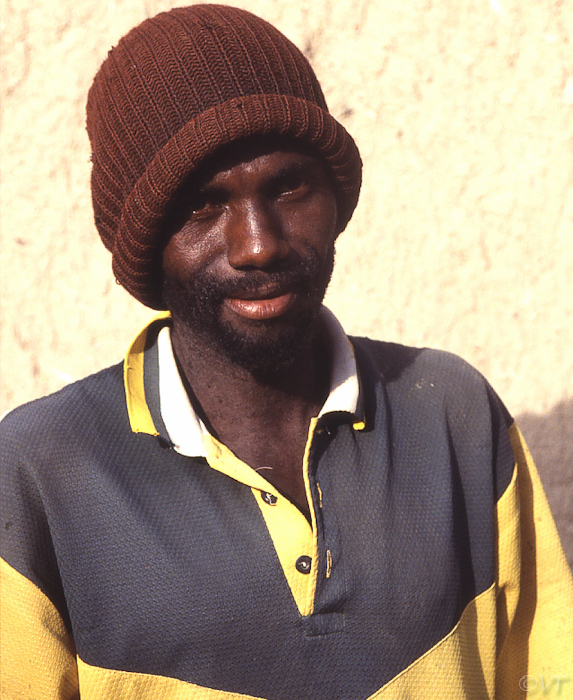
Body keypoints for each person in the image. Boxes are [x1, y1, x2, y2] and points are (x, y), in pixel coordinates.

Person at [1, 5, 571, 699]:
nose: (258, 244)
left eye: (289, 187)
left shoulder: (453, 416)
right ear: (145, 243)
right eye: (202, 205)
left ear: (335, 196)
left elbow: (547, 675)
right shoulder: (40, 471)